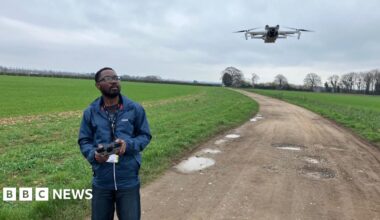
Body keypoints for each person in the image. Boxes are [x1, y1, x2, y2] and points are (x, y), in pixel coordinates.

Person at [78, 67, 152, 220]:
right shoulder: (90, 112)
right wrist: (94, 155)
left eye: (116, 77)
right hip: (101, 180)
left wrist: (128, 144)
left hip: (128, 179)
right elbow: (84, 140)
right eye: (107, 79)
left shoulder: (134, 109)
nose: (113, 81)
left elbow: (145, 135)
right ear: (98, 85)